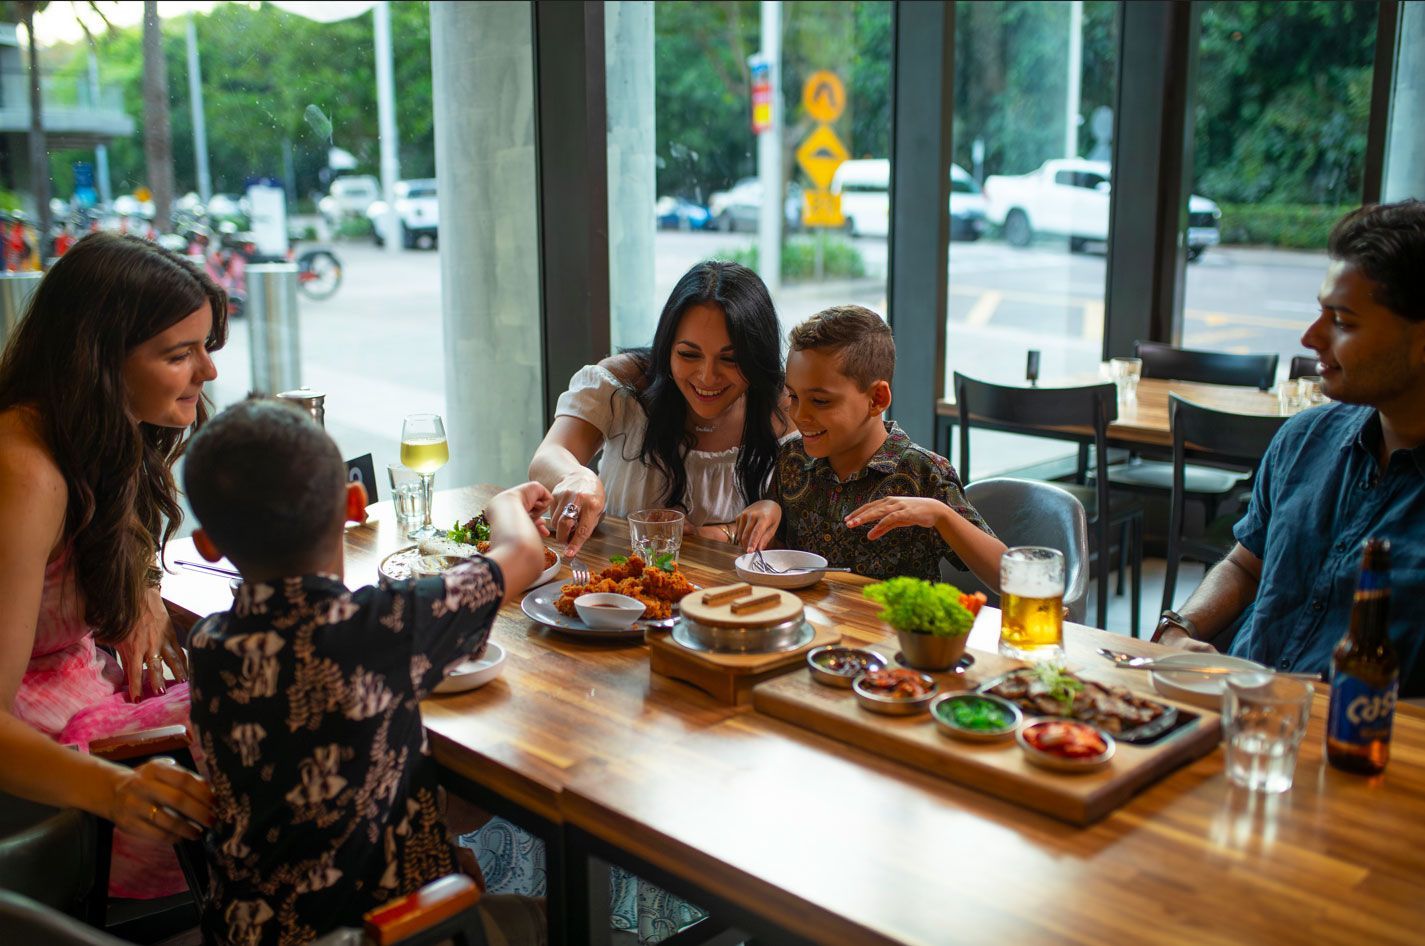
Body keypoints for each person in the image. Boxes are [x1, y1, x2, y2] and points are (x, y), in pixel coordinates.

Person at [182, 399, 553, 945]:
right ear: (355, 504)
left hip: (245, 932)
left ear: (207, 544)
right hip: (392, 932)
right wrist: (506, 500)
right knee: (564, 920)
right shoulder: (383, 627)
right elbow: (523, 553)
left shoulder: (208, 645)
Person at [0, 232, 220, 897]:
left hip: (82, 710)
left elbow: (113, 537)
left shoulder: (89, 429)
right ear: (96, 361)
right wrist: (121, 792)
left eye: (206, 347)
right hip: (45, 779)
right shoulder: (26, 475)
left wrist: (144, 586)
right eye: (180, 355)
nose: (207, 373)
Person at [1157, 200, 1425, 698]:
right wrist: (1182, 628)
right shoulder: (1304, 440)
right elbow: (1244, 565)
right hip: (1240, 721)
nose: (1310, 337)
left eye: (1342, 321)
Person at [532, 259, 791, 557]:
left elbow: (793, 528)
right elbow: (547, 457)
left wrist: (724, 533)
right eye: (688, 354)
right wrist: (575, 476)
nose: (707, 376)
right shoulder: (625, 383)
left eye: (730, 359)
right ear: (667, 347)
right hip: (612, 586)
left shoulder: (785, 406)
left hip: (726, 596)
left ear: (758, 357)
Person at [736, 305, 1005, 586]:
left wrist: (942, 515)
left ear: (877, 399)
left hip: (891, 629)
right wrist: (769, 510)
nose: (799, 415)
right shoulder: (792, 459)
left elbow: (1007, 577)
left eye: (820, 401)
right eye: (793, 396)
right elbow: (780, 560)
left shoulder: (924, 473)